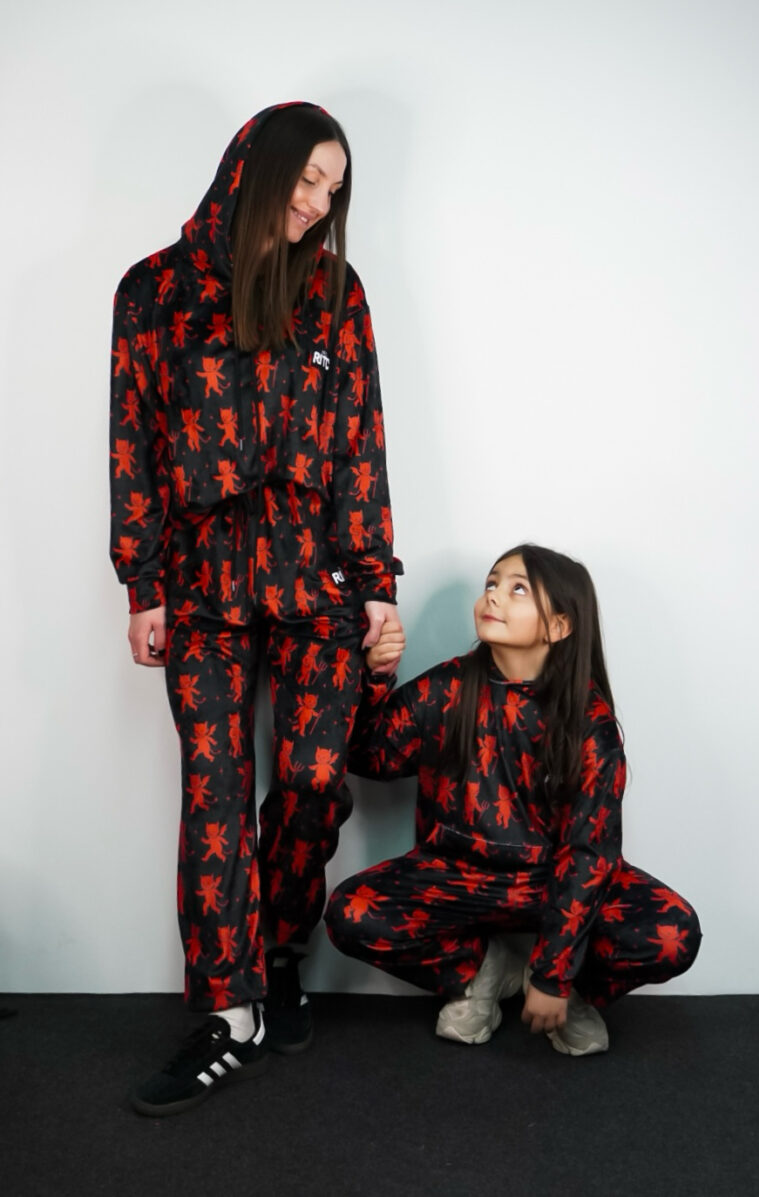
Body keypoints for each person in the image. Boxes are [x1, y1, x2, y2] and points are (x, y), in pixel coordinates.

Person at [109, 102, 403, 1116]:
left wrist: (377, 583)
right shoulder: (153, 290)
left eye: (334, 187)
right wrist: (142, 584)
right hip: (201, 587)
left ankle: (276, 952)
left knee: (315, 781)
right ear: (255, 165)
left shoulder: (335, 291)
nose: (318, 202)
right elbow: (133, 441)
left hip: (319, 580)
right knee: (217, 793)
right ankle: (227, 1013)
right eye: (308, 177)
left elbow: (361, 441)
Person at [326, 545, 701, 1053]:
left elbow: (589, 853)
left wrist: (554, 975)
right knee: (350, 913)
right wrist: (374, 676)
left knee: (673, 932)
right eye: (491, 583)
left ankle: (570, 994)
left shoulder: (589, 722)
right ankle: (484, 973)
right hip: (454, 874)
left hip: (553, 880)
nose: (494, 596)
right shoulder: (445, 687)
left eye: (517, 588)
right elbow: (369, 756)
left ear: (559, 626)